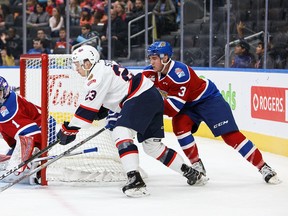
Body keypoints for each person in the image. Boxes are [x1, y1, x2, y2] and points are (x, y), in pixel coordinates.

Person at [56, 45, 204, 197]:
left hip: (140, 97)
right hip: (150, 97)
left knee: (120, 132)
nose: (76, 68)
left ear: (88, 62)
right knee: (152, 147)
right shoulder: (105, 65)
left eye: (78, 64)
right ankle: (190, 172)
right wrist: (103, 110)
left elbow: (87, 109)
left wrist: (70, 129)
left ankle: (135, 180)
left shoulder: (96, 75)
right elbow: (115, 91)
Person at [142, 41, 281, 184]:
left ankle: (264, 167)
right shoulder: (149, 72)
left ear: (165, 58)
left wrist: (146, 107)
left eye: (154, 58)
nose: (151, 61)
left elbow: (172, 109)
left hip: (208, 100)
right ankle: (197, 165)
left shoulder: (180, 74)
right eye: (150, 58)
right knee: (179, 126)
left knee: (230, 136)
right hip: (188, 104)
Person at [0, 76, 57, 184]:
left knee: (18, 165)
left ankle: (36, 166)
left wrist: (19, 162)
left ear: (5, 92)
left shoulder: (9, 110)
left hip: (44, 127)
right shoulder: (6, 99)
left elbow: (30, 134)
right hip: (33, 126)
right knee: (10, 158)